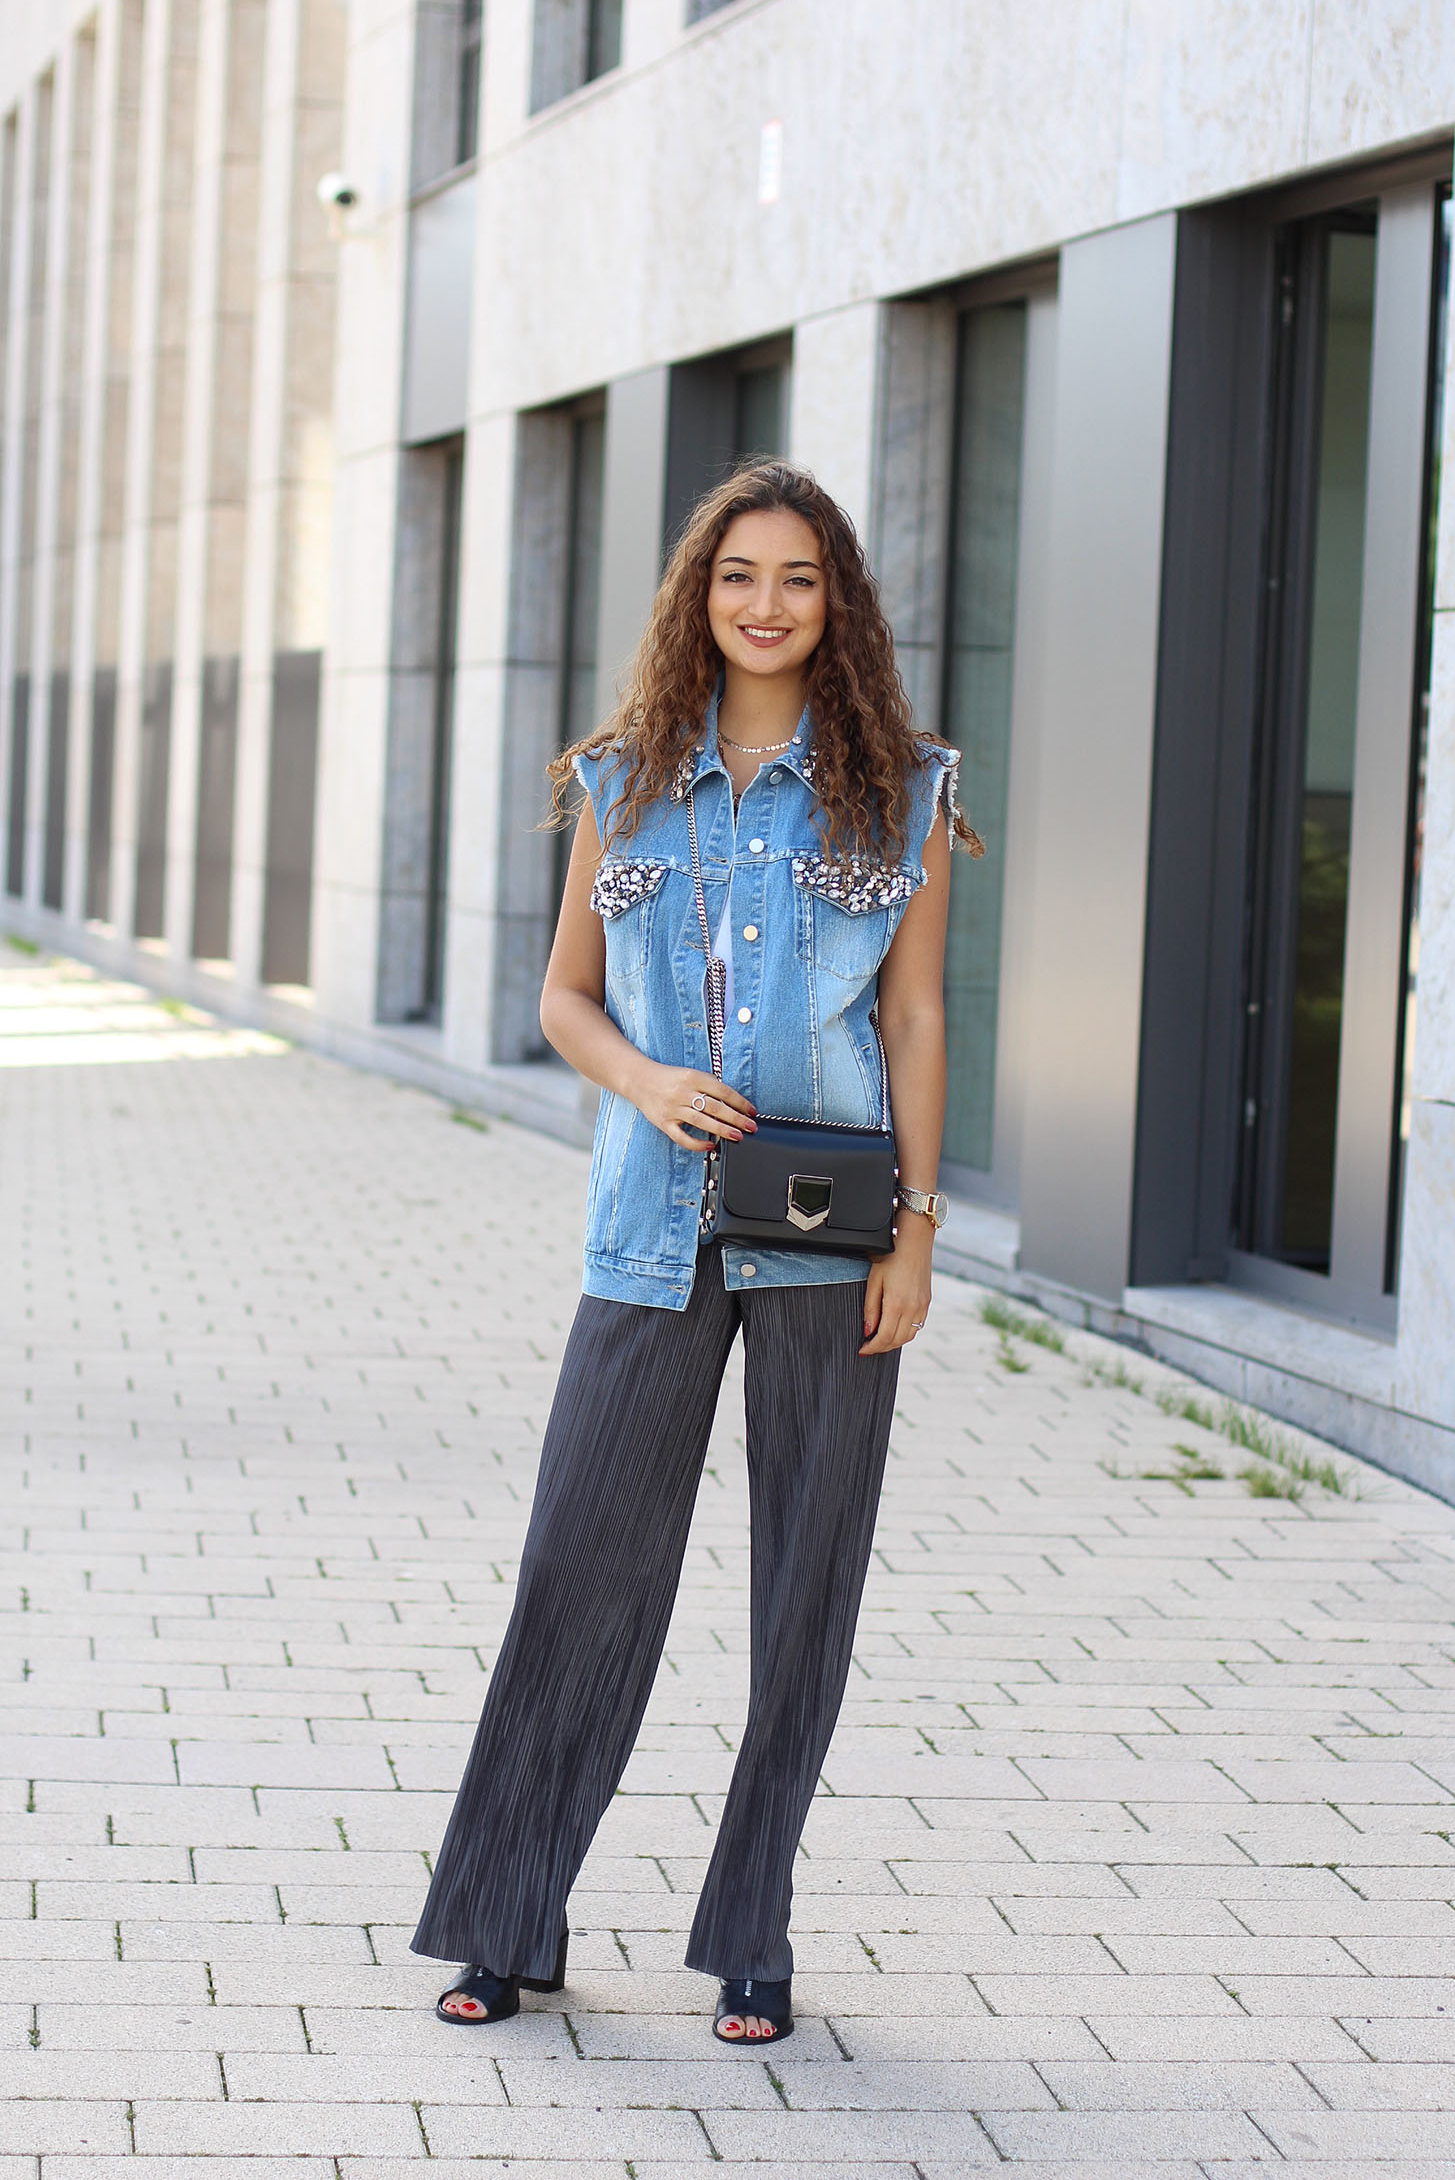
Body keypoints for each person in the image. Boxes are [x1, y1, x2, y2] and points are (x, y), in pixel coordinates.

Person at [411, 459, 980, 2046]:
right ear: (698, 593)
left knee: (807, 1582)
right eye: (740, 575)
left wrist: (920, 1234)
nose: (767, 604)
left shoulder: (906, 786)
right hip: (649, 1231)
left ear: (838, 599)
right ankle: (507, 1918)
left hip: (831, 1233)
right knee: (579, 1566)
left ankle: (755, 1934)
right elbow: (563, 998)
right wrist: (647, 1079)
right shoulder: (623, 780)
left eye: (800, 578)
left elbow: (918, 1015)